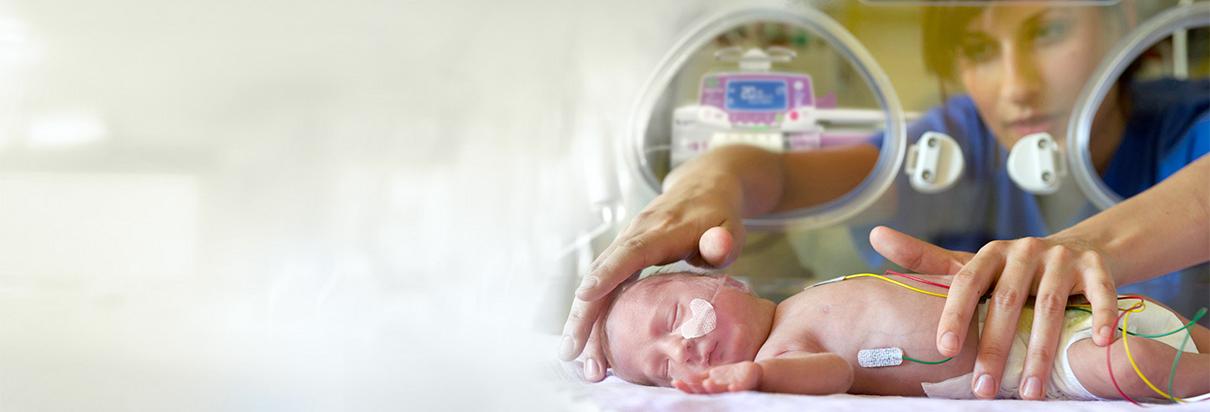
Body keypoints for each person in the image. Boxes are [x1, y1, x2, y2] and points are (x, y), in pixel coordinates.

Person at [561, 2, 1210, 400]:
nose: (1018, 87)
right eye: (981, 49)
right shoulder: (962, 141)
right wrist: (714, 176)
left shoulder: (1186, 128)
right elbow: (780, 176)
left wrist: (1079, 250)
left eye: (1050, 31)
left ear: (1125, 20)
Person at [601, 271, 1209, 401]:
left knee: (1174, 326)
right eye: (662, 368)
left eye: (669, 321)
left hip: (1047, 310)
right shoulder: (782, 352)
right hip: (1040, 360)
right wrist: (756, 375)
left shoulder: (805, 294)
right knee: (1127, 366)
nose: (679, 347)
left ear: (722, 280)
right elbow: (834, 375)